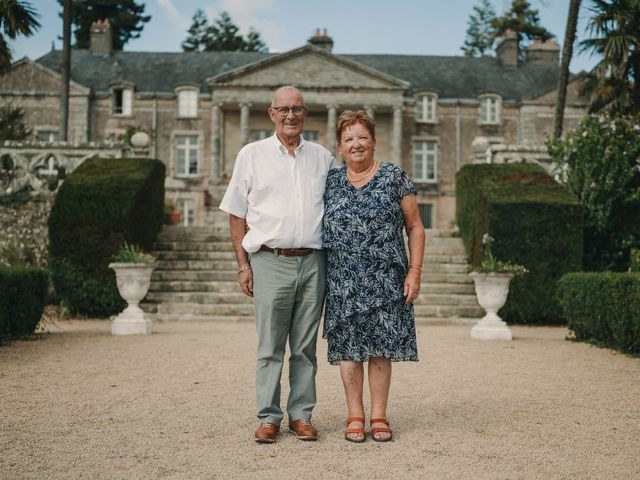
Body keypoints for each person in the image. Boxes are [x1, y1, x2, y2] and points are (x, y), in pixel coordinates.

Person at [219, 86, 336, 444]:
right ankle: (269, 417)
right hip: (269, 260)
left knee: (304, 347)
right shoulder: (251, 155)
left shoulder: (323, 157)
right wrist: (243, 265)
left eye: (297, 110)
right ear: (271, 113)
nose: (290, 116)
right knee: (269, 346)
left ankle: (301, 415)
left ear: (306, 113)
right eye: (283, 109)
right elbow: (236, 214)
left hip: (314, 261)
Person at [322, 110, 425, 443]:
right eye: (349, 139)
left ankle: (379, 415)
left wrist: (415, 271)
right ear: (339, 146)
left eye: (362, 137)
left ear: (374, 142)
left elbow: (415, 226)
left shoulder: (394, 176)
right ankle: (355, 415)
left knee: (381, 349)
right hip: (343, 281)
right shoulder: (331, 181)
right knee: (349, 351)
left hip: (386, 279)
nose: (356, 144)